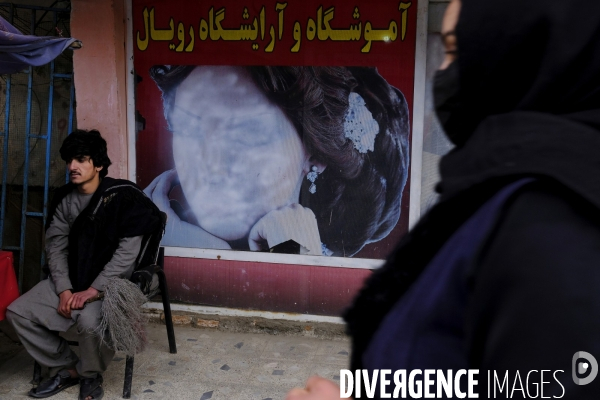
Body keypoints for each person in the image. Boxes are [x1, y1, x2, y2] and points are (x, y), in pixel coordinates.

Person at [287, 0, 600, 398]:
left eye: (454, 50)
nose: (441, 73)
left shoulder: (554, 228)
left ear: (517, 54)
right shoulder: (499, 193)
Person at [144, 65, 410, 257]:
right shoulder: (161, 236)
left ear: (314, 153)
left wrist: (301, 259)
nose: (211, 165)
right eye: (189, 130)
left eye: (243, 134)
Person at [6, 130, 162, 400]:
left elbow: (126, 256)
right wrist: (65, 289)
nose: (72, 167)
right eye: (69, 161)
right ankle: (68, 368)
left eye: (80, 159)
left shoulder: (123, 197)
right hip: (71, 278)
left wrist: (93, 291)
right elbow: (55, 247)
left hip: (112, 285)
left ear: (99, 164)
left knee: (91, 322)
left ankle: (89, 375)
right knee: (17, 312)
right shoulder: (66, 199)